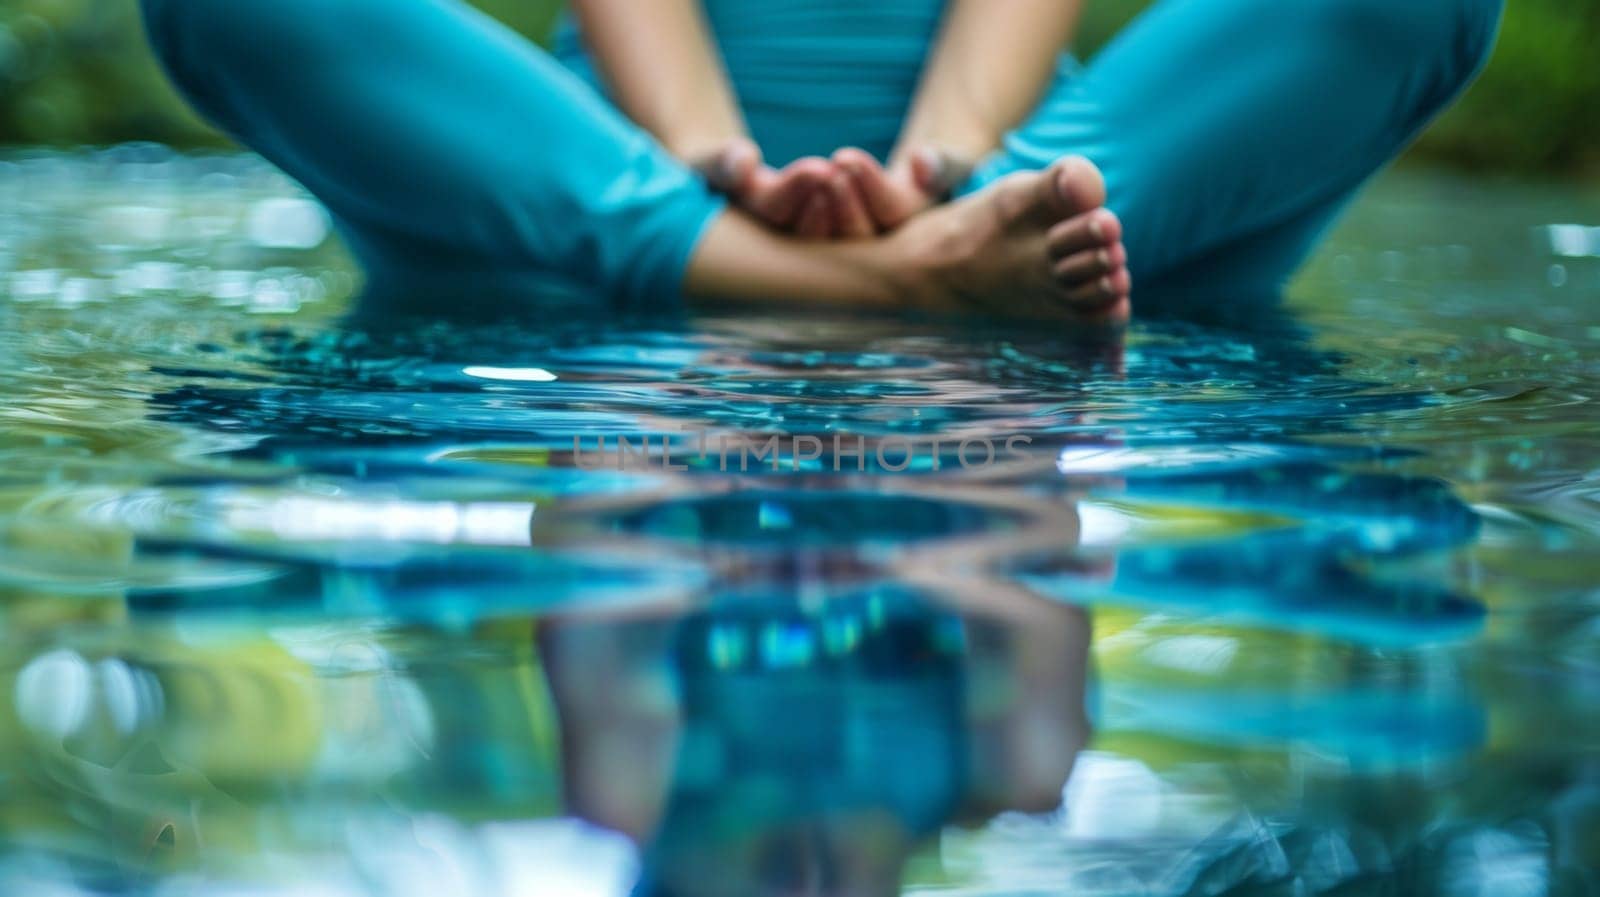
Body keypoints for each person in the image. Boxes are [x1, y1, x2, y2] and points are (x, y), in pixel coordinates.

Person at [138, 0, 1501, 325]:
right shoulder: (652, 814)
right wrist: (705, 162)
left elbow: (1042, 735)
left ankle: (970, 235)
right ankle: (910, 282)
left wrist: (951, 171)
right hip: (605, 169)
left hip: (1035, 173)